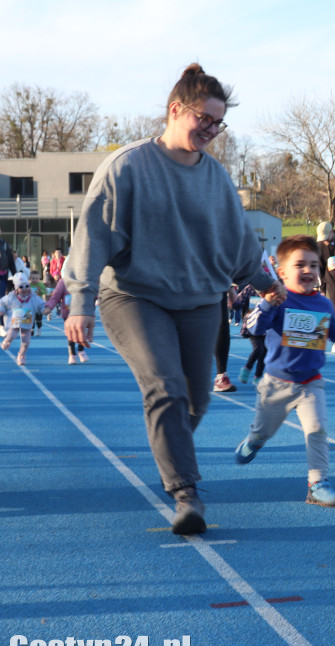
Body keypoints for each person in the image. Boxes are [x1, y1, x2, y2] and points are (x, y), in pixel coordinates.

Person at [62, 64, 281, 535]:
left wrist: (266, 281)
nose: (211, 129)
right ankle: (187, 495)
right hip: (134, 295)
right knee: (164, 386)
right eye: (204, 118)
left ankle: (172, 449)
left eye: (218, 123)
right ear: (175, 109)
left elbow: (239, 241)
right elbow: (92, 236)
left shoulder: (217, 179)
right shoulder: (127, 166)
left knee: (196, 399)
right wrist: (80, 303)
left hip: (200, 300)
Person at [234, 235, 335, 505]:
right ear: (281, 272)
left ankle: (317, 483)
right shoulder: (278, 300)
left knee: (316, 429)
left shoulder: (323, 304)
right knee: (262, 431)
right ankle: (255, 441)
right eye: (300, 265)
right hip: (275, 383)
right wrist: (269, 302)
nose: (308, 271)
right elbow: (254, 327)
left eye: (314, 265)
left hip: (310, 382)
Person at [0, 272, 46, 365]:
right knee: (12, 334)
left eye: (26, 286)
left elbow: (40, 303)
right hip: (15, 321)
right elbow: (2, 302)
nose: (24, 289)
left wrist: (44, 309)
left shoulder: (33, 296)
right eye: (21, 287)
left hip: (27, 321)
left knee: (26, 341)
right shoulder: (12, 296)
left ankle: (21, 355)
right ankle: (7, 341)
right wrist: (1, 310)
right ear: (16, 288)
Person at [45, 277, 90, 364]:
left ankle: (81, 351)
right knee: (71, 333)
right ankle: (72, 354)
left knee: (82, 330)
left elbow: (91, 293)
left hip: (81, 311)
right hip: (68, 313)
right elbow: (55, 296)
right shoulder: (63, 282)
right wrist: (49, 307)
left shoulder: (83, 279)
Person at [235, 283, 267, 385]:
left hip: (266, 325)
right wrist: (232, 296)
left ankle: (258, 377)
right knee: (259, 348)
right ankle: (247, 368)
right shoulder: (250, 288)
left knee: (265, 351)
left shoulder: (274, 287)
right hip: (252, 324)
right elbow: (237, 303)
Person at [213, 291, 237, 392]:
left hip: (217, 285)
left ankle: (221, 375)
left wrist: (230, 288)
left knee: (222, 325)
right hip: (184, 284)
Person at [28, 271, 46, 336]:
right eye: (33, 278)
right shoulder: (29, 285)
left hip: (38, 305)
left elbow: (45, 292)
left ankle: (39, 328)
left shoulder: (40, 285)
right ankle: (31, 329)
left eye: (36, 278)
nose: (35, 280)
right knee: (31, 318)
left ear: (39, 278)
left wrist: (41, 291)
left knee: (38, 319)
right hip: (30, 304)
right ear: (30, 278)